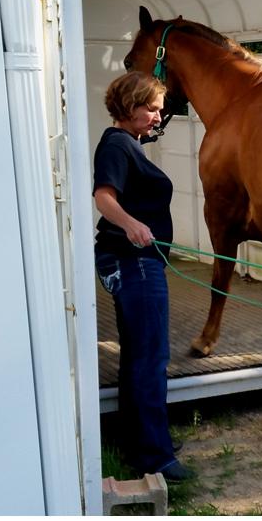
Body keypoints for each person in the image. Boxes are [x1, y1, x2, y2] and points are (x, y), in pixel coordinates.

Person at [93, 72, 191, 482]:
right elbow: (103, 196)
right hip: (133, 261)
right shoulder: (117, 145)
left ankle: (140, 443)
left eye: (159, 107)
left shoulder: (126, 143)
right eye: (151, 108)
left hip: (135, 260)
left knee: (138, 354)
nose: (158, 115)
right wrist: (132, 225)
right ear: (129, 107)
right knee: (151, 357)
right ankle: (155, 456)